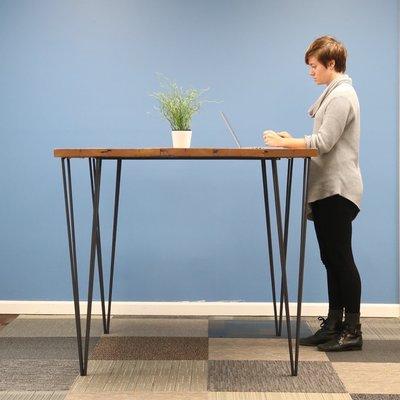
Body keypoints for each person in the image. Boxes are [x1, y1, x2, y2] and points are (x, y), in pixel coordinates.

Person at [263, 35, 363, 352]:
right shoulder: (332, 94)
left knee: (341, 259)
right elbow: (319, 138)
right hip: (325, 189)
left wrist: (284, 144)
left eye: (313, 65)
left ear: (330, 64)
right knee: (330, 258)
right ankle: (334, 323)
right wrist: (292, 139)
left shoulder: (342, 96)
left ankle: (353, 329)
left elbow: (322, 143)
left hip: (337, 188)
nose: (310, 72)